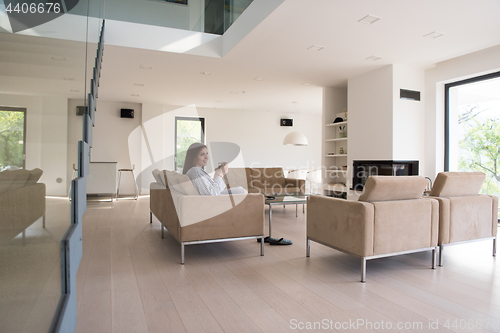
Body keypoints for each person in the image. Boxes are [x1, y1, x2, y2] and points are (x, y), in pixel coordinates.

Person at [182, 142, 247, 196]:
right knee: (241, 191)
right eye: (202, 154)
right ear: (193, 157)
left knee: (241, 190)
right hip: (215, 200)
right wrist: (221, 174)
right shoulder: (195, 172)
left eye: (207, 154)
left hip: (216, 198)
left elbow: (212, 189)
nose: (207, 157)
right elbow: (212, 193)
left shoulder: (197, 171)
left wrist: (217, 174)